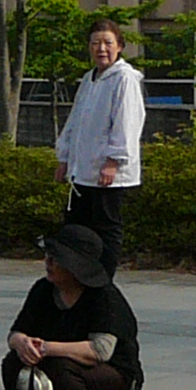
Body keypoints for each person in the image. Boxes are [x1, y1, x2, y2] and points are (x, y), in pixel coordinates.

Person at [0, 224, 142, 390]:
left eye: (56, 259)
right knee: (13, 362)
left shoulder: (104, 297)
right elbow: (16, 332)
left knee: (61, 368)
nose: (48, 262)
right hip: (58, 363)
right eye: (48, 256)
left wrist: (47, 348)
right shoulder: (43, 289)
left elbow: (100, 351)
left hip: (113, 377)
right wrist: (22, 344)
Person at [53, 18, 145, 280]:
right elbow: (75, 120)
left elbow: (127, 121)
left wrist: (114, 160)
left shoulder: (124, 78)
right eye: (95, 43)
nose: (101, 49)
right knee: (77, 227)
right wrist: (65, 158)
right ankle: (80, 275)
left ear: (120, 46)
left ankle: (104, 278)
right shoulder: (89, 79)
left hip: (107, 173)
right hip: (82, 171)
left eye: (108, 43)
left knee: (106, 227)